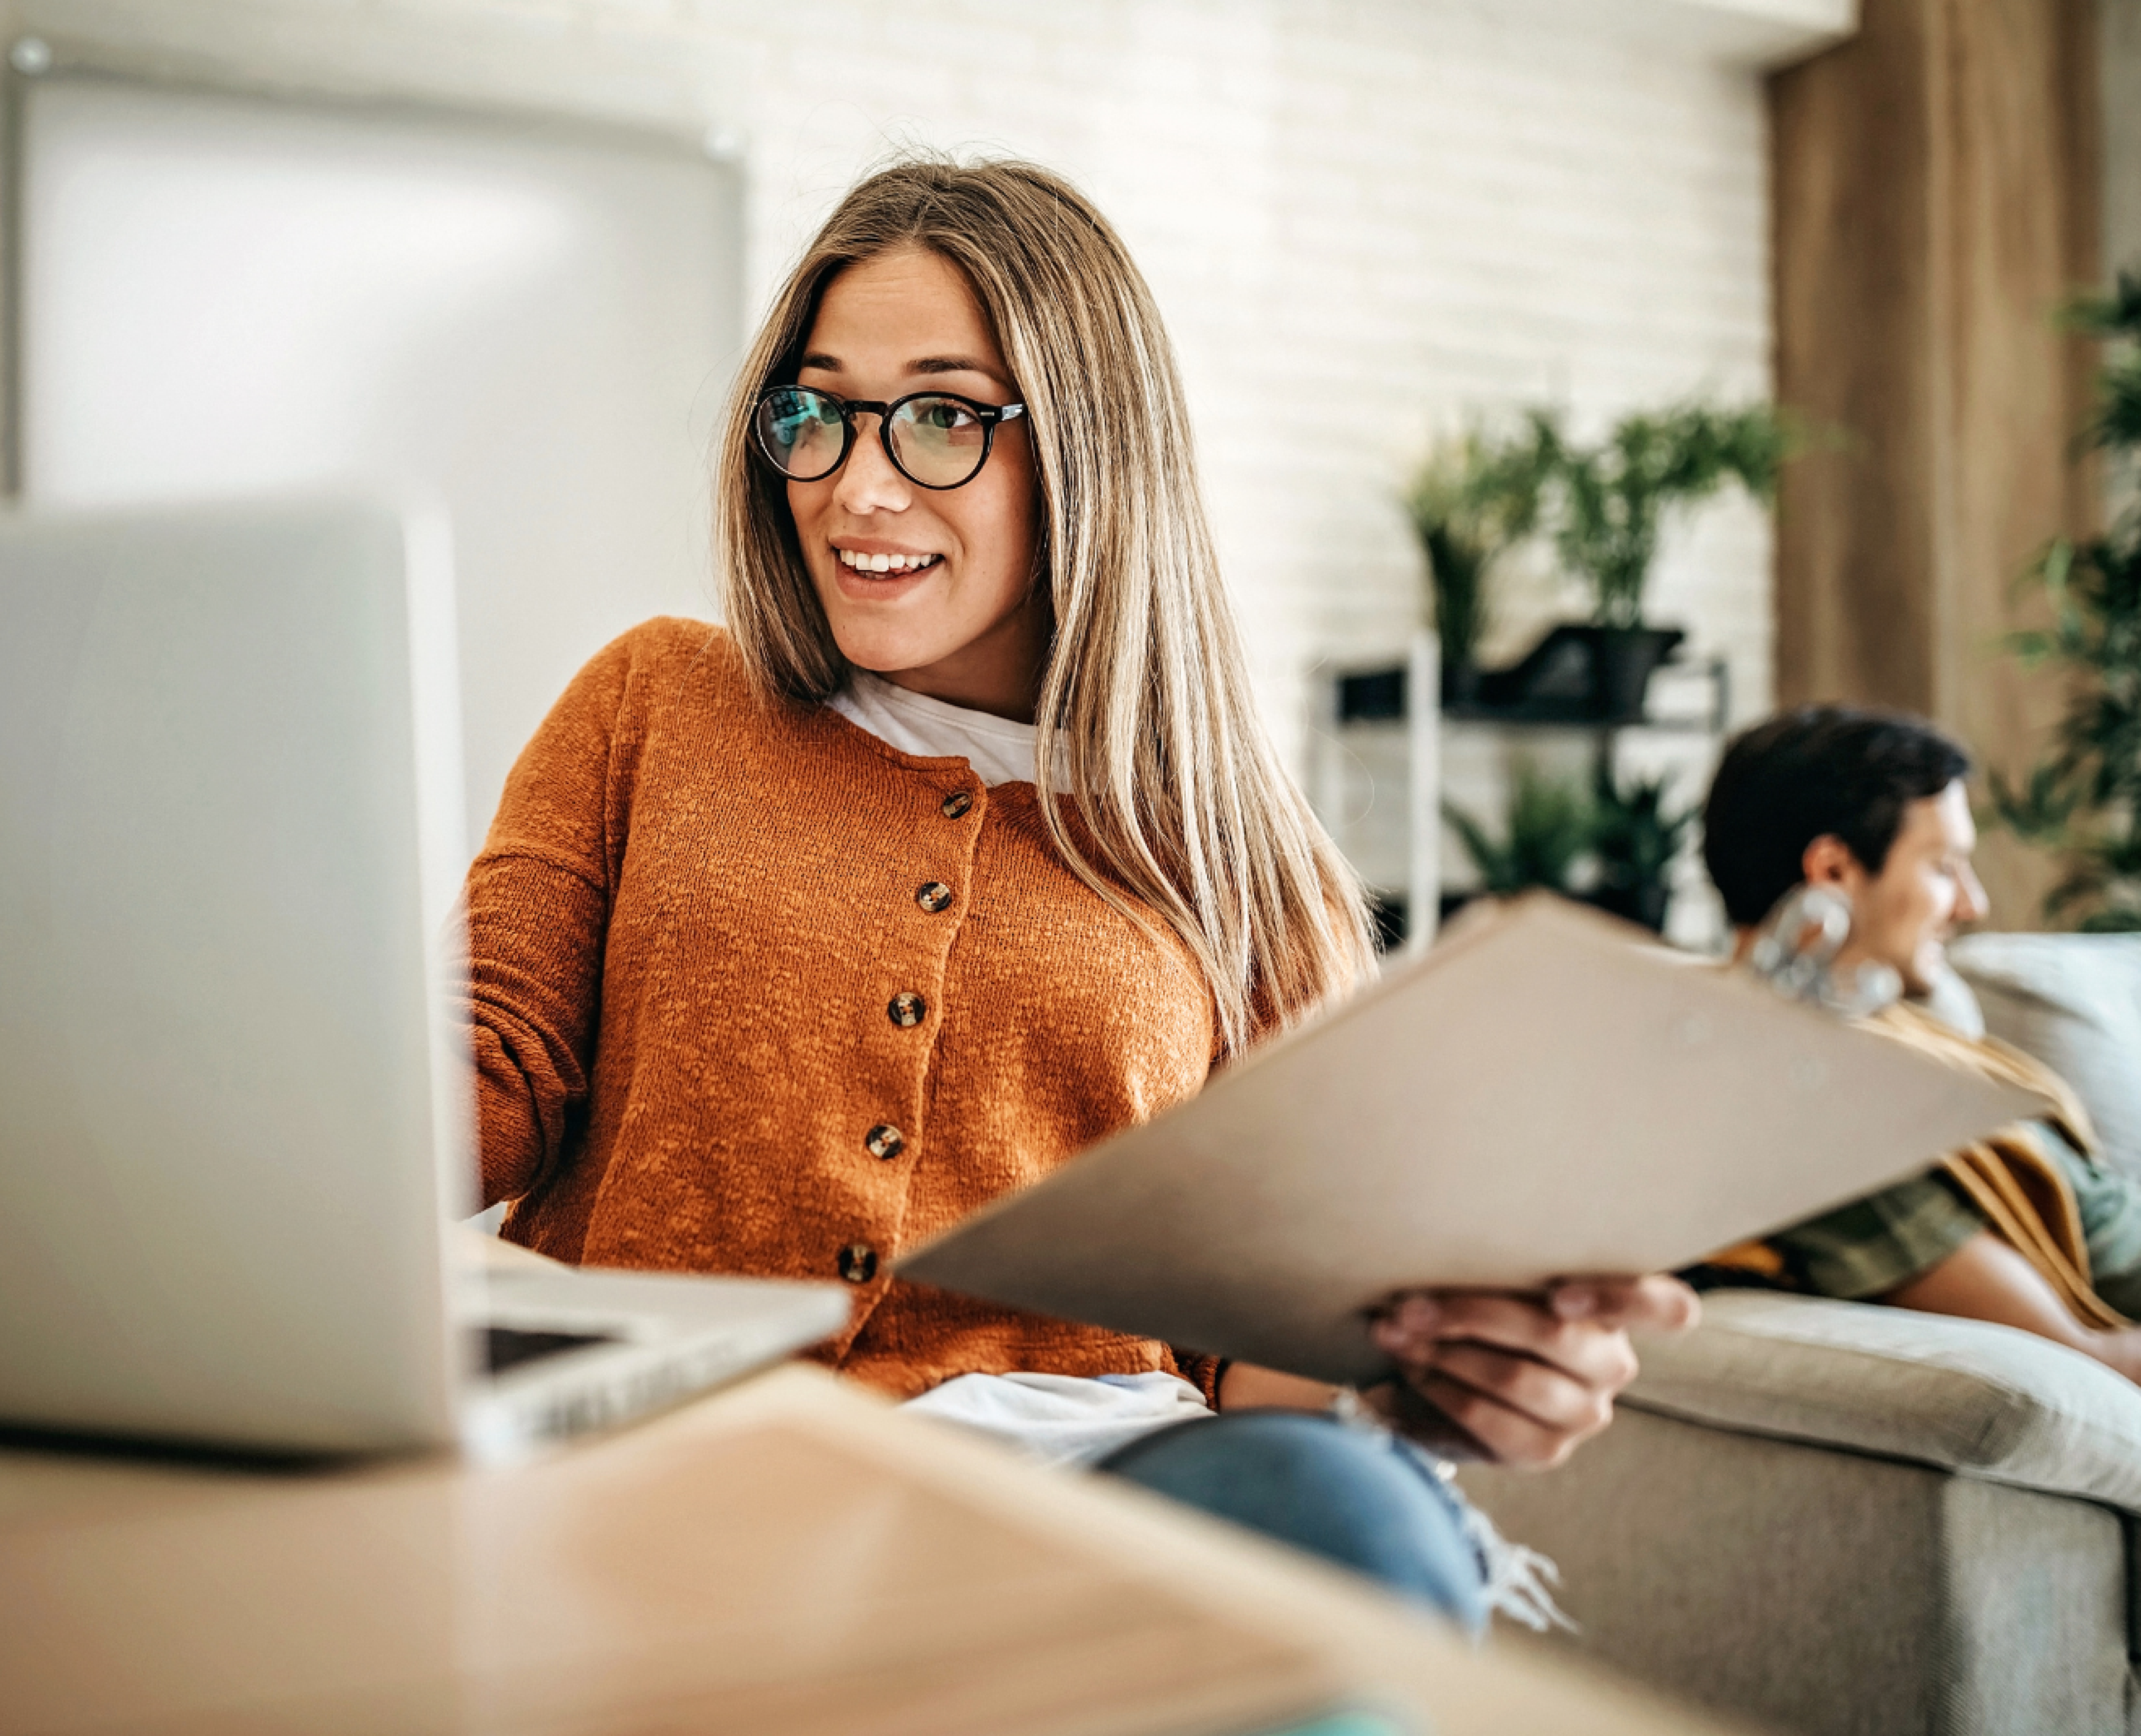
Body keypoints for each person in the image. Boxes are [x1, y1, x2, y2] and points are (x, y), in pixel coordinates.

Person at [462, 155, 1695, 1634]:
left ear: (1090, 450)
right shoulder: (656, 700)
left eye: (937, 415)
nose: (854, 484)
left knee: (1350, 1510)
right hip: (679, 1462)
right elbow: (488, 1069)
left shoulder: (1247, 865)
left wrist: (1434, 1359)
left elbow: (1261, 1357)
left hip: (1084, 1501)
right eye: (815, 411)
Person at [1697, 705, 2141, 1374]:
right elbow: (2088, 1361)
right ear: (1834, 872)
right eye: (1943, 867)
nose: (1973, 903)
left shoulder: (1892, 1042)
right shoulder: (1822, 1115)